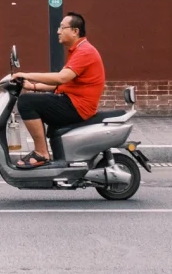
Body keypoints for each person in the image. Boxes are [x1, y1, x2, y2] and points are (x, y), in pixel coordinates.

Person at [9, 12, 105, 169]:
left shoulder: (85, 52)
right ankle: (54, 158)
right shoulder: (78, 50)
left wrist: (26, 74)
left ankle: (41, 153)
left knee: (26, 102)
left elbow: (61, 78)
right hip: (72, 101)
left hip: (78, 106)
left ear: (75, 31)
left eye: (62, 27)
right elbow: (61, 85)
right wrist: (32, 86)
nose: (58, 31)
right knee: (32, 99)